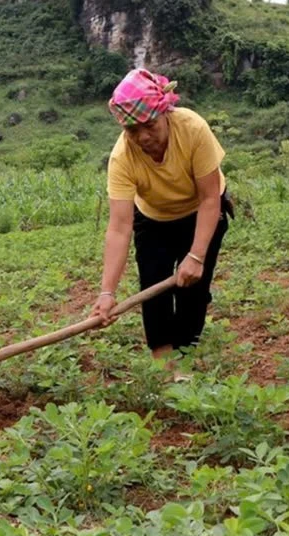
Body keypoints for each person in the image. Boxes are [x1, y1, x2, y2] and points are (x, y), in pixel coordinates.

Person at [89, 68, 233, 379]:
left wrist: (195, 256)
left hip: (201, 211)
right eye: (132, 130)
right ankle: (164, 370)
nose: (143, 137)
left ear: (164, 113)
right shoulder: (122, 158)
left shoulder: (193, 129)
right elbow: (119, 227)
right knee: (153, 288)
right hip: (153, 218)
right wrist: (106, 293)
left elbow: (211, 200)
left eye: (150, 126)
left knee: (193, 287)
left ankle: (183, 363)